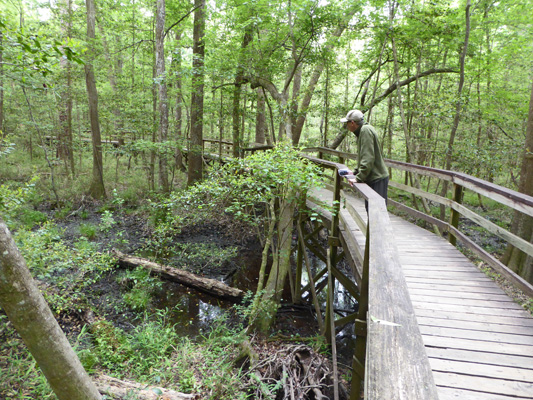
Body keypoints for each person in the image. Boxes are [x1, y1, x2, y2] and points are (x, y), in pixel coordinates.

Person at [340, 109, 389, 206]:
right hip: (374, 177)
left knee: (376, 210)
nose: (347, 125)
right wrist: (355, 172)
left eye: (347, 123)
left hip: (377, 178)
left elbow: (368, 158)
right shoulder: (364, 130)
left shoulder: (365, 131)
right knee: (371, 209)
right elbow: (364, 156)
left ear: (353, 123)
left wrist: (358, 178)